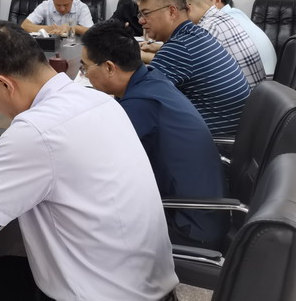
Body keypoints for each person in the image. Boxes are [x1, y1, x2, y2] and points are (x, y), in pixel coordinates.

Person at [0, 21, 177, 301]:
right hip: (147, 283)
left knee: (2, 274)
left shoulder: (34, 132)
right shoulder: (100, 100)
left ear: (4, 84)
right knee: (4, 273)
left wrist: (6, 155)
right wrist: (6, 151)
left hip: (104, 294)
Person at [81, 21, 228, 249]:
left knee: (83, 222)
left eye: (85, 68)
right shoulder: (151, 78)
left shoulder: (142, 104)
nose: (85, 74)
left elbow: (98, 163)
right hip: (204, 210)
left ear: (109, 68)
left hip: (188, 224)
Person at [135, 0, 250, 137]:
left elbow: (138, 96)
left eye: (146, 14)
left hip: (214, 142)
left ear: (171, 12)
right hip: (231, 132)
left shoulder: (180, 47)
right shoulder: (196, 34)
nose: (141, 21)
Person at [177, 0, 265, 89]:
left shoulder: (208, 27)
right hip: (258, 90)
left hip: (246, 94)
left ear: (187, 8)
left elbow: (184, 65)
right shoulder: (221, 16)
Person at [193, 0, 277, 75]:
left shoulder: (218, 21)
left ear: (217, 0)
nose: (192, 5)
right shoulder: (236, 12)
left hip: (263, 78)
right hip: (270, 76)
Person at [21, 0, 93, 36]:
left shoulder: (81, 7)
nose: (62, 9)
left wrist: (72, 27)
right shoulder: (45, 6)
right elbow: (24, 26)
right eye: (58, 5)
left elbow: (91, 32)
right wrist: (49, 29)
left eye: (66, 5)